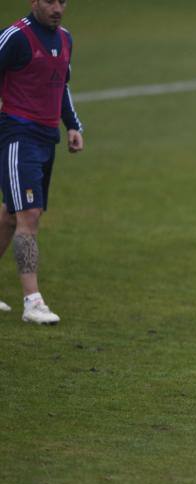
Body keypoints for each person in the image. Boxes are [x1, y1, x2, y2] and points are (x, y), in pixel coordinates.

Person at [0, 0, 83, 325]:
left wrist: (72, 124)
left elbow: (61, 84)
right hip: (18, 137)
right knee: (29, 216)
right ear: (34, 2)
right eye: (50, 1)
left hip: (47, 140)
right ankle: (32, 301)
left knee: (10, 215)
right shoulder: (16, 37)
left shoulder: (65, 39)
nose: (57, 7)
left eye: (63, 1)